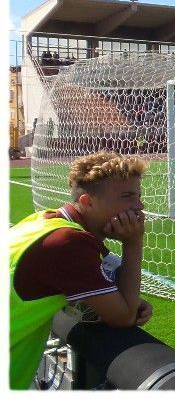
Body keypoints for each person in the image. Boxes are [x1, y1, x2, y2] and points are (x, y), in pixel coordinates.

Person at [9, 151, 153, 389]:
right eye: (127, 196)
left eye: (138, 196)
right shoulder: (68, 243)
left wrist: (122, 298)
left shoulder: (43, 220)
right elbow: (124, 317)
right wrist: (133, 242)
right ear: (88, 202)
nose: (139, 206)